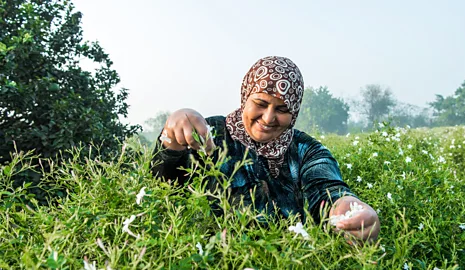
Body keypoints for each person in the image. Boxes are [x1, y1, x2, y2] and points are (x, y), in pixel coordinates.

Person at [151, 56, 380, 242]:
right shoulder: (210, 135)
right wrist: (172, 141)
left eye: (281, 109)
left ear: (295, 112)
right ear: (245, 97)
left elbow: (327, 190)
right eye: (260, 104)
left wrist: (350, 210)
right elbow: (164, 187)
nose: (269, 118)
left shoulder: (306, 150)